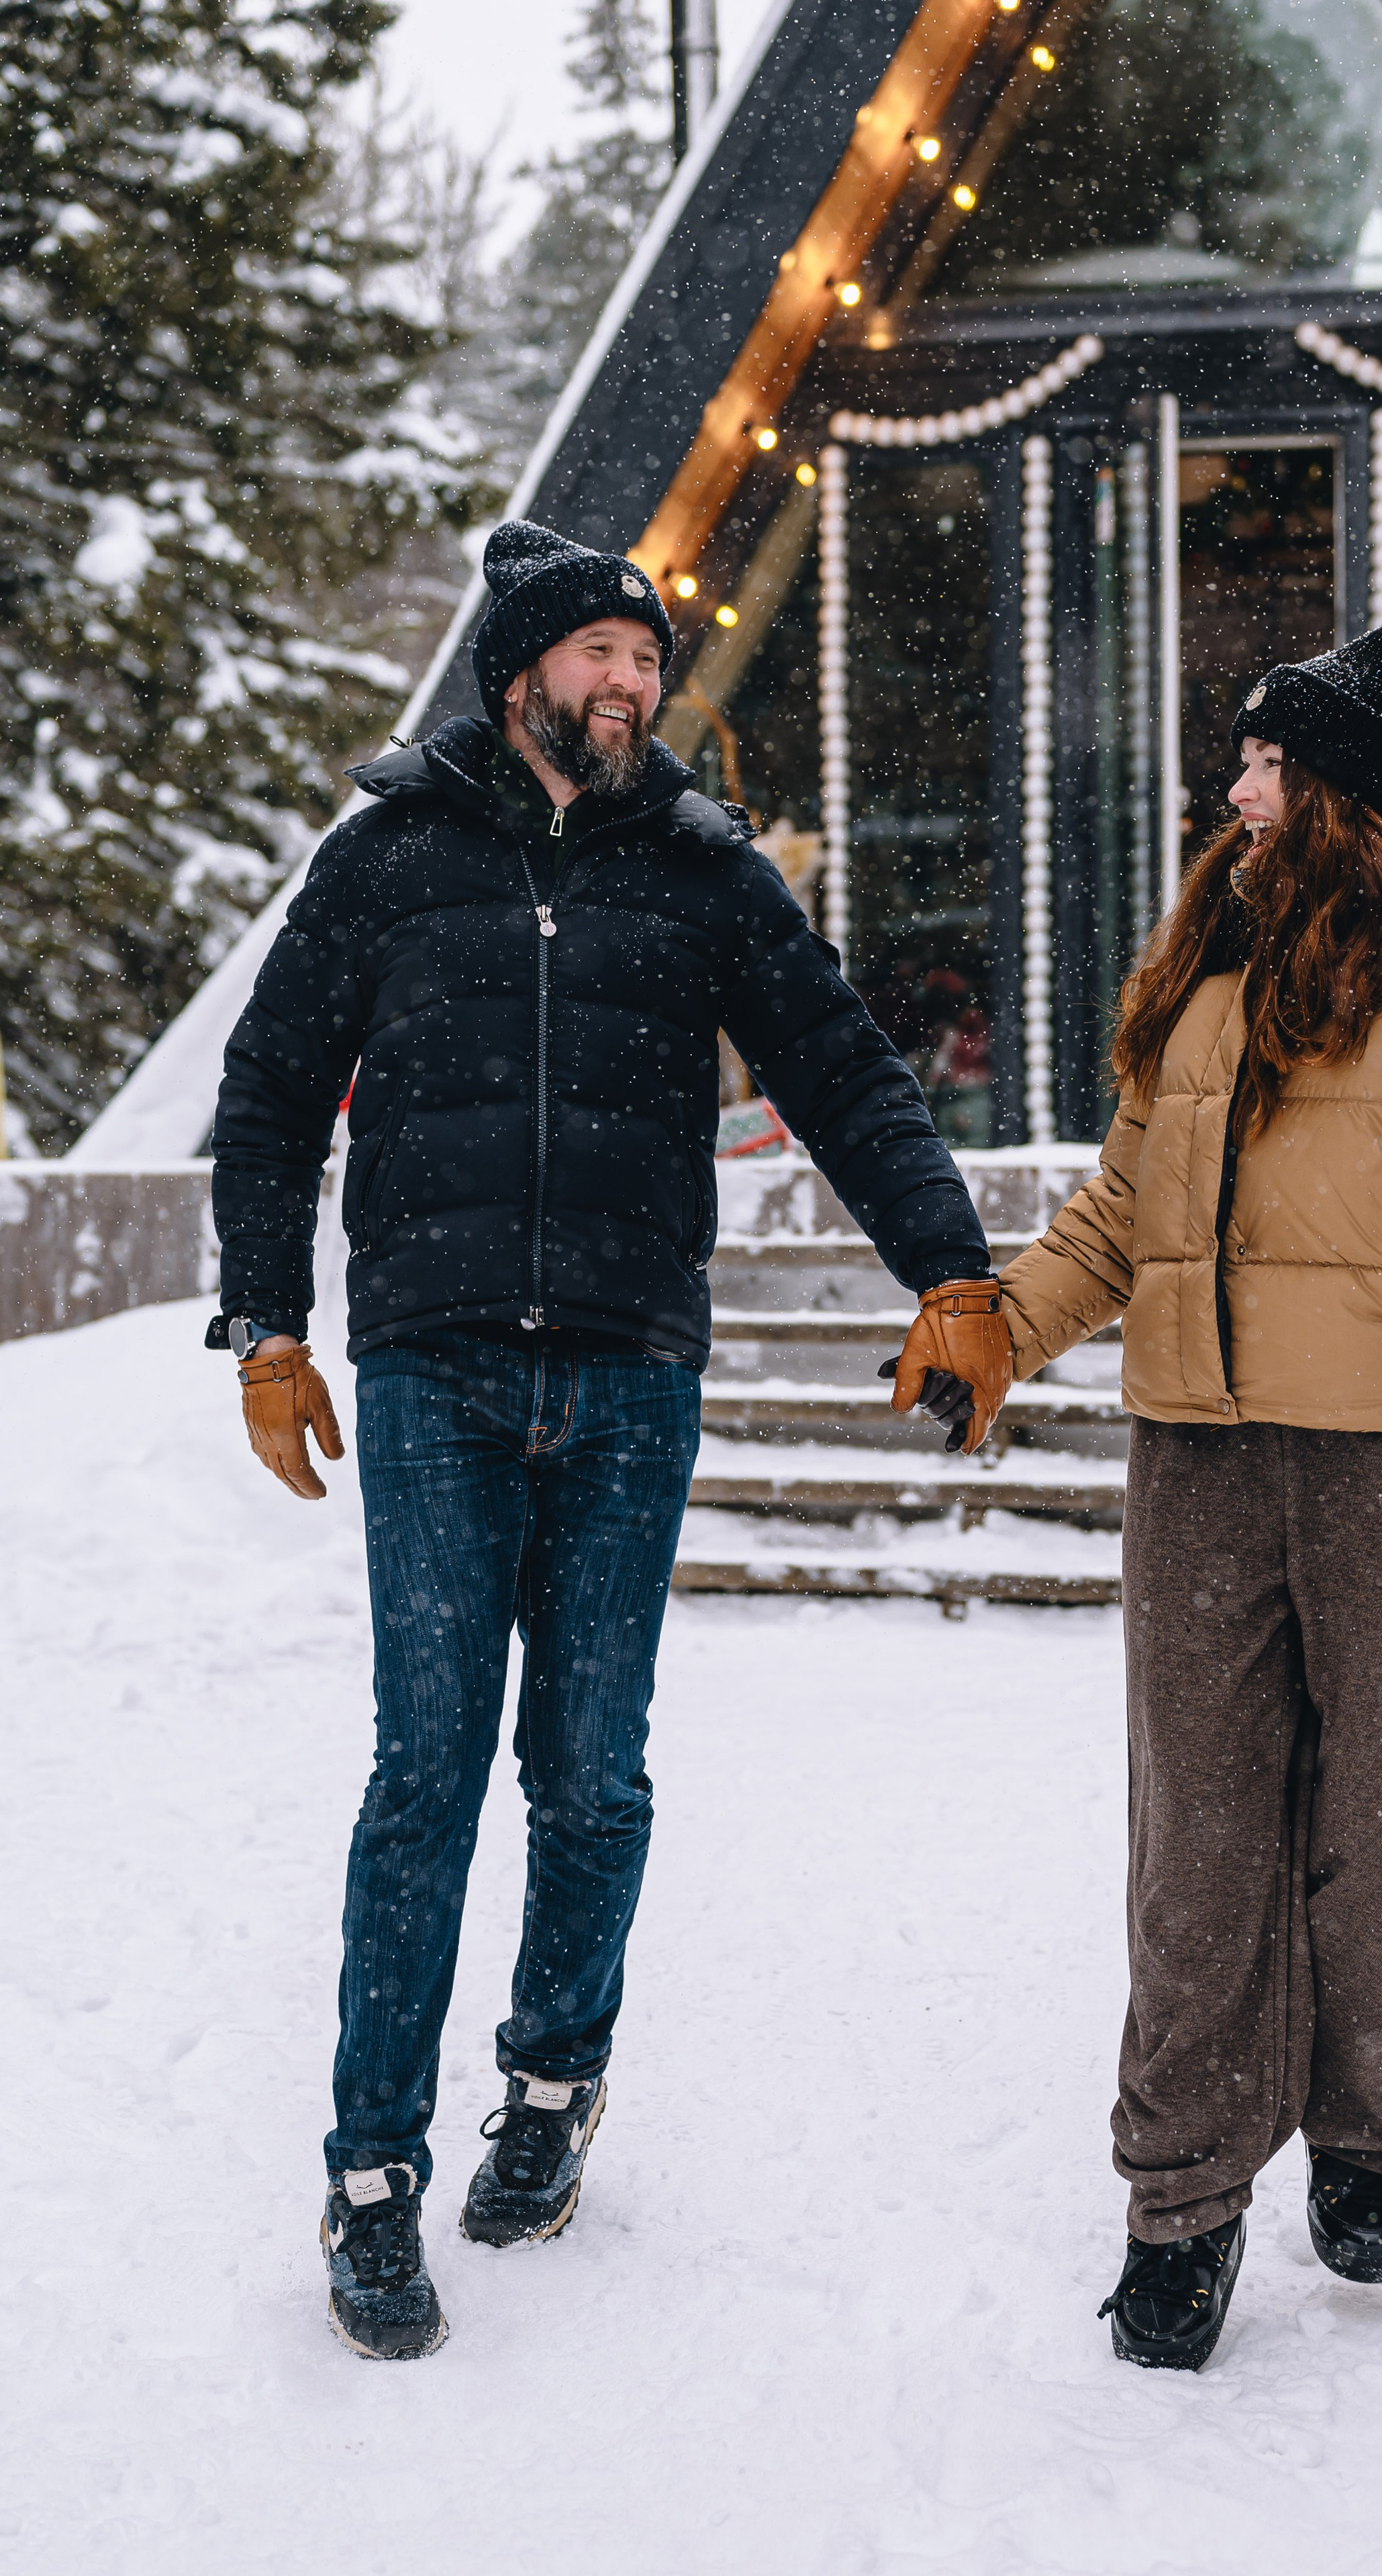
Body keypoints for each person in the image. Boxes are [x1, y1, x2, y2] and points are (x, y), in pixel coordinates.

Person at [207, 519, 1013, 2361]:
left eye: (648, 660)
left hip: (634, 1372)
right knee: (427, 1774)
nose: (635, 683)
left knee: (593, 1773)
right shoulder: (394, 857)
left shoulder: (703, 870)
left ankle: (555, 2084)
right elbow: (266, 1094)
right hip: (434, 1371)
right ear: (520, 679)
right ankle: (368, 2172)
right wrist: (267, 1325)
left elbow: (841, 1065)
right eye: (600, 657)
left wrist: (950, 1268)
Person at [997, 605, 1382, 2371]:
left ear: (1335, 787)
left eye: (1266, 759)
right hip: (1202, 1455)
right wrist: (1004, 1327)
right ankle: (1181, 2204)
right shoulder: (1204, 962)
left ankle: (1368, 2136)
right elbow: (1129, 1204)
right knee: (1196, 1855)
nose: (1236, 784)